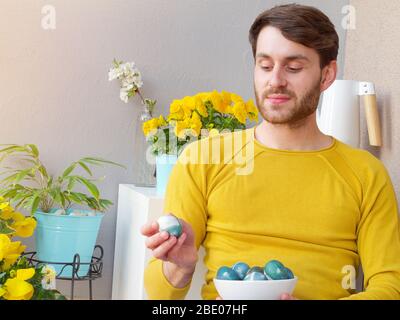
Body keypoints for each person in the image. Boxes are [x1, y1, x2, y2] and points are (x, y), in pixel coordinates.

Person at [141, 3, 400, 300]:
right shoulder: (203, 160)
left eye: (293, 67)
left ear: (327, 75)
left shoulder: (366, 174)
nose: (275, 80)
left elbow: (389, 287)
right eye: (265, 65)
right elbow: (159, 297)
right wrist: (180, 268)